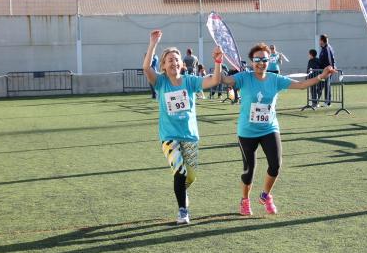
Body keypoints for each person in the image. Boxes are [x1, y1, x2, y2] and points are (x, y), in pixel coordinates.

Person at [220, 42, 336, 216]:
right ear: (252, 61)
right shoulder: (244, 77)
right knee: (248, 170)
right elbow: (225, 80)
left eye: (264, 59)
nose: (261, 62)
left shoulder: (275, 79)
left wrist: (322, 76)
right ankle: (245, 200)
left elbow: (301, 85)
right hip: (247, 132)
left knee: (275, 165)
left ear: (269, 61)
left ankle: (265, 195)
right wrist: (217, 64)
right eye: (257, 59)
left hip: (269, 128)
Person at [142, 30, 221, 224]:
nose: (173, 63)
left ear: (182, 64)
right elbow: (146, 68)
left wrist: (218, 63)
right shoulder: (160, 82)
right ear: (163, 65)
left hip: (190, 136)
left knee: (190, 177)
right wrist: (153, 43)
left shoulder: (190, 81)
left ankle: (182, 194)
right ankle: (183, 211)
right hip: (169, 136)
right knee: (180, 171)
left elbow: (214, 80)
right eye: (169, 60)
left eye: (176, 59)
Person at [318, 35, 336, 105]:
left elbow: (331, 60)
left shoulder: (328, 48)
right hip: (322, 71)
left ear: (322, 41)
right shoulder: (323, 49)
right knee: (320, 86)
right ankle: (316, 101)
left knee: (327, 86)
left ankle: (328, 102)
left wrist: (331, 69)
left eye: (319, 40)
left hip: (328, 71)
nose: (319, 42)